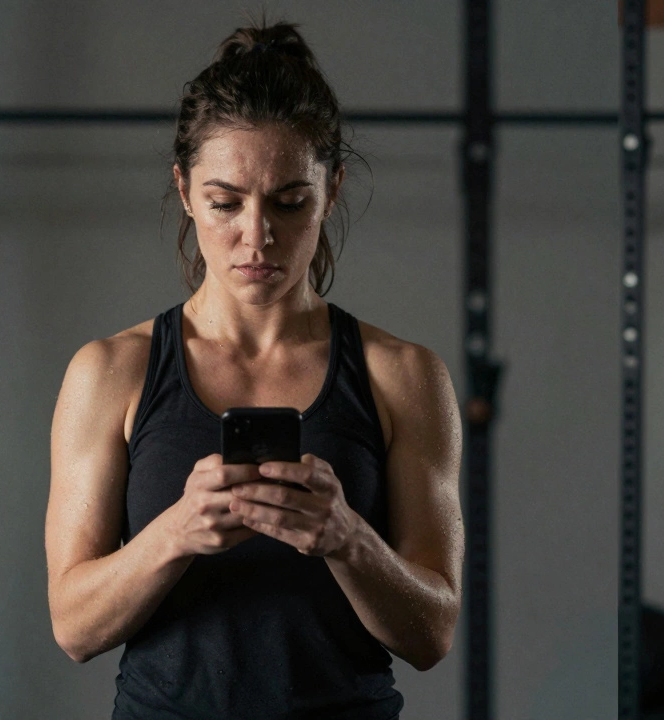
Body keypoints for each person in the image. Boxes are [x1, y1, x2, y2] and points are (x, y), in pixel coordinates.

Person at [45, 22, 463, 719]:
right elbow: (74, 627)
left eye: (290, 202)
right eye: (226, 203)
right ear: (184, 190)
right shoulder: (111, 372)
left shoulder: (404, 375)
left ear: (331, 190)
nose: (258, 236)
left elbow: (433, 633)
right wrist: (176, 533)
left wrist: (348, 540)